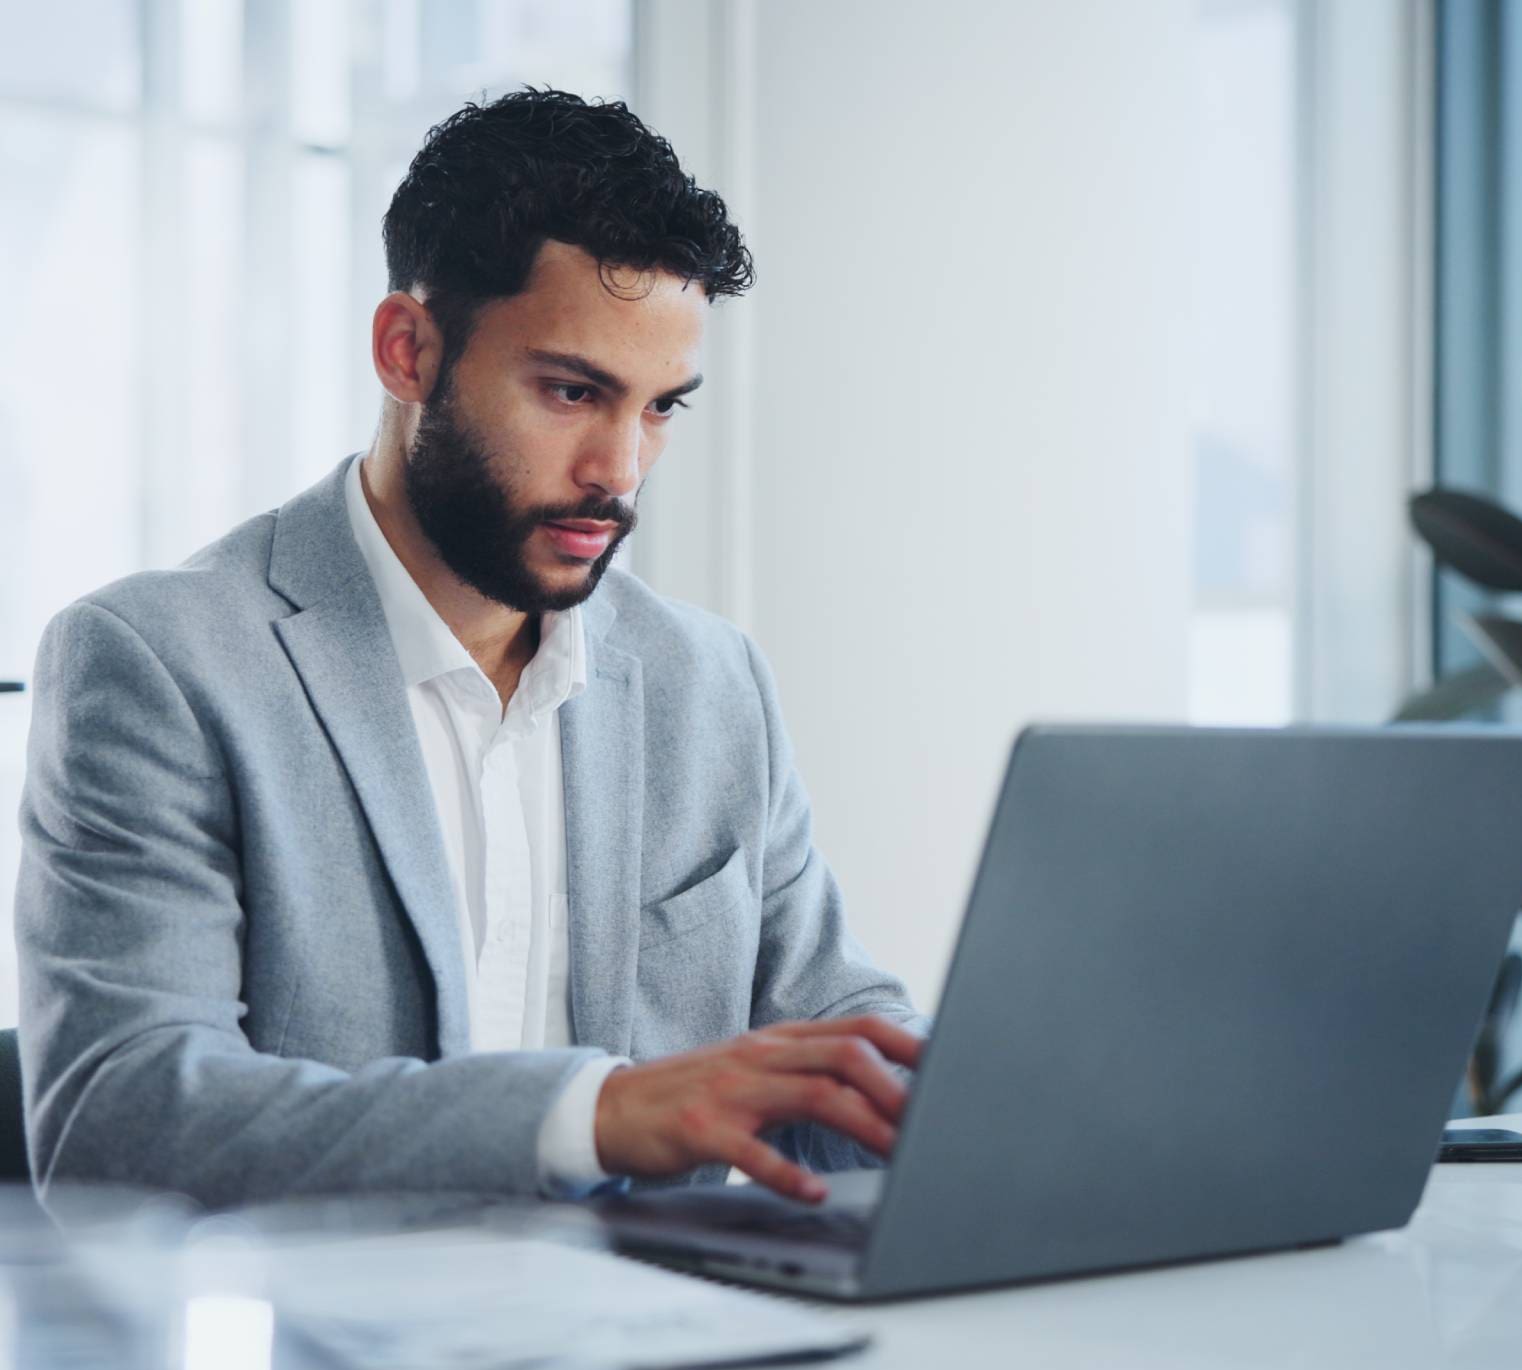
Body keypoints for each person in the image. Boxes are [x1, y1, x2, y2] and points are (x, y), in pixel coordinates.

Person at [15, 87, 927, 1212]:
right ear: (407, 351)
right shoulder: (162, 663)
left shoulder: (709, 683)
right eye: (571, 392)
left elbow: (834, 1024)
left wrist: (991, 1106)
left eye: (659, 408)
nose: (621, 469)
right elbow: (121, 1117)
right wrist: (590, 1117)